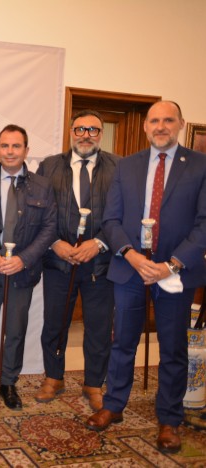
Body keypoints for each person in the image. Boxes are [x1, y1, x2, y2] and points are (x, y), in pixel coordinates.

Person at [86, 101, 206, 454]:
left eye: (168, 119)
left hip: (175, 273)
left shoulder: (200, 166)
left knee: (172, 348)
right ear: (145, 126)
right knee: (122, 341)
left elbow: (204, 223)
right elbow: (111, 220)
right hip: (130, 268)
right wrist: (134, 256)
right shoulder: (127, 166)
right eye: (154, 120)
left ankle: (169, 418)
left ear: (181, 124)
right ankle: (113, 406)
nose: (161, 126)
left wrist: (172, 264)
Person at [35, 110, 119, 411]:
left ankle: (94, 383)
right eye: (81, 129)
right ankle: (53, 377)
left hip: (100, 263)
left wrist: (99, 243)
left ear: (101, 134)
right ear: (71, 131)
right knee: (54, 324)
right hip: (59, 262)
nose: (86, 134)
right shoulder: (49, 166)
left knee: (99, 327)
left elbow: (123, 213)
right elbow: (40, 212)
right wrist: (55, 243)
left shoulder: (117, 167)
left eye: (94, 130)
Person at [0, 124, 56, 410]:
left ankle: (8, 383)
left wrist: (24, 259)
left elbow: (49, 228)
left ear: (26, 151)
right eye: (5, 146)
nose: (10, 151)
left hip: (23, 272)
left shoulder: (43, 186)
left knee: (15, 330)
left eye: (16, 146)